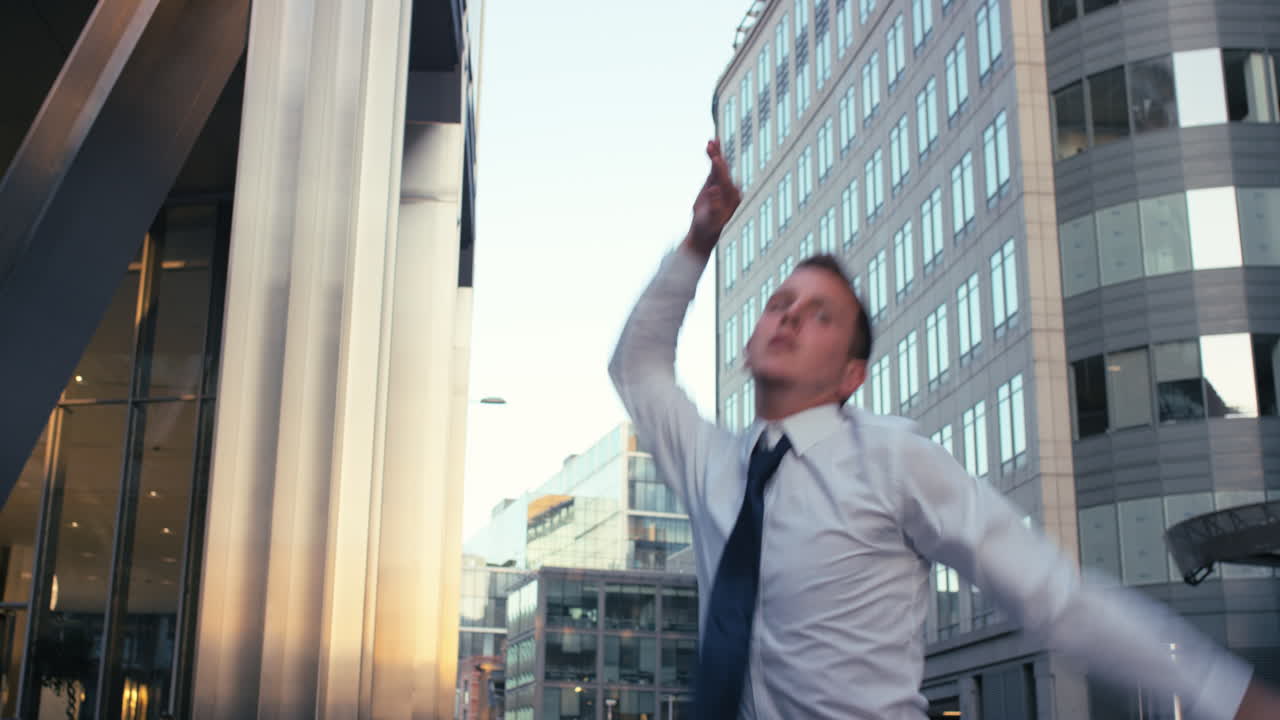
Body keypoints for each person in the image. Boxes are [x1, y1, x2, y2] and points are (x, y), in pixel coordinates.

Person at [608, 139, 1280, 720]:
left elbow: (1053, 596)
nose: (786, 318)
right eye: (780, 305)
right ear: (749, 345)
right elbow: (636, 367)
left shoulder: (892, 460)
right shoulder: (712, 467)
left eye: (818, 315)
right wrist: (700, 240)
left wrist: (1228, 696)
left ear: (851, 375)